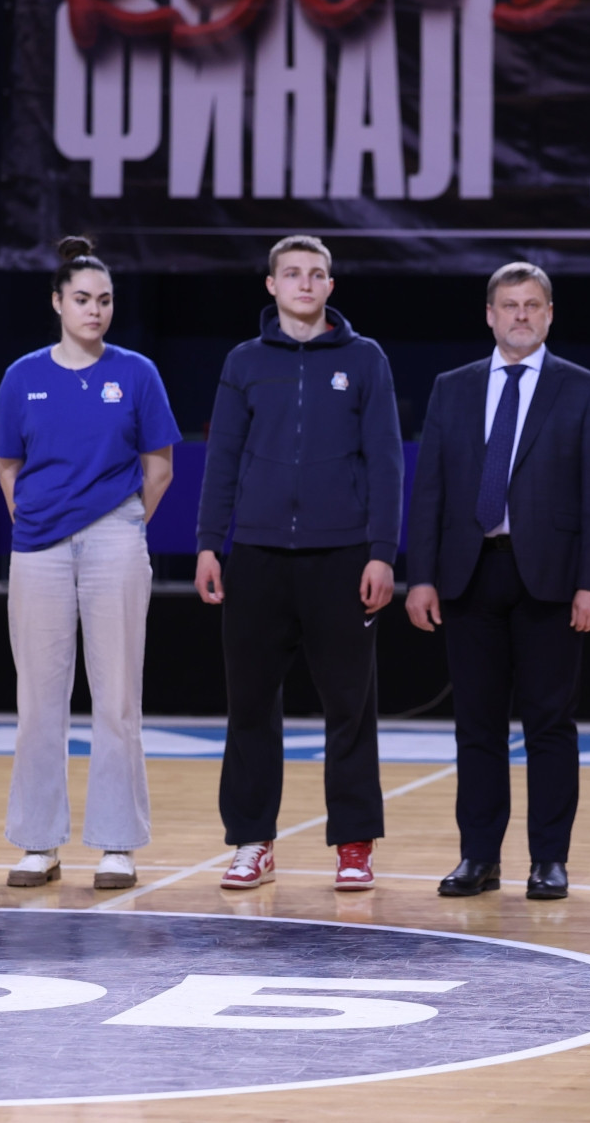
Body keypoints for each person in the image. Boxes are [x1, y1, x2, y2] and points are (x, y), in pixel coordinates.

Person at [194, 235, 402, 891]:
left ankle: (354, 844)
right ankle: (252, 841)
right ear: (272, 285)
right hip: (256, 557)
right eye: (292, 273)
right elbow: (223, 457)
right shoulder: (245, 361)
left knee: (350, 707)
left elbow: (386, 462)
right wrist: (209, 542)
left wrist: (382, 552)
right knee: (250, 706)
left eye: (316, 274)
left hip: (342, 558)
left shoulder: (365, 358)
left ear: (330, 286)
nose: (305, 283)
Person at [404, 262, 590, 901]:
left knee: (550, 726)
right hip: (469, 574)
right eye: (510, 305)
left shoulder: (583, 389)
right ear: (490, 315)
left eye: (532, 305)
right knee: (477, 726)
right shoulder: (452, 388)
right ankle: (479, 857)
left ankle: (549, 859)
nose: (521, 315)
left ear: (549, 315)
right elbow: (430, 488)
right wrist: (421, 576)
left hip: (553, 578)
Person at [0, 237, 180, 890]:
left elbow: (160, 467)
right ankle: (38, 843)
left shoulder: (137, 373)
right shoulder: (22, 376)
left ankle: (117, 844)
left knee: (117, 696)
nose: (94, 310)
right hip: (38, 546)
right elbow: (7, 466)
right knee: (38, 698)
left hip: (114, 540)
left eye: (104, 300)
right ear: (57, 303)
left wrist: (120, 525)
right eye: (81, 299)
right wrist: (39, 521)